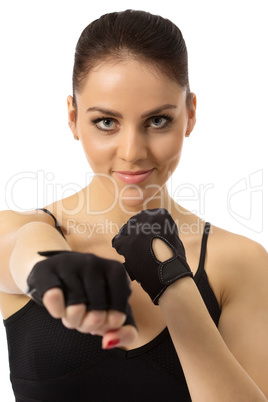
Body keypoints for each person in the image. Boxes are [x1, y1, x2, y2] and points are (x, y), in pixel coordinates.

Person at [0, 9, 267, 402]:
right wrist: (56, 267)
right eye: (106, 122)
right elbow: (22, 252)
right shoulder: (18, 228)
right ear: (73, 118)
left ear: (190, 114)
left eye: (158, 120)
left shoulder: (242, 261)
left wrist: (174, 284)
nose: (132, 152)